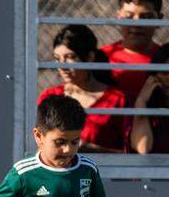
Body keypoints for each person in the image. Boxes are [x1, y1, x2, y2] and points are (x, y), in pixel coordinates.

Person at [38, 25, 128, 153]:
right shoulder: (50, 96)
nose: (62, 66)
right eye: (57, 58)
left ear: (90, 57)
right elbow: (37, 142)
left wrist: (92, 149)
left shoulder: (117, 100)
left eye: (70, 57)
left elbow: (130, 154)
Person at [101, 0, 163, 105]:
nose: (137, 23)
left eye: (146, 17)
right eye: (129, 17)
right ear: (119, 17)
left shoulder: (167, 61)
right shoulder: (101, 58)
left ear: (159, 20)